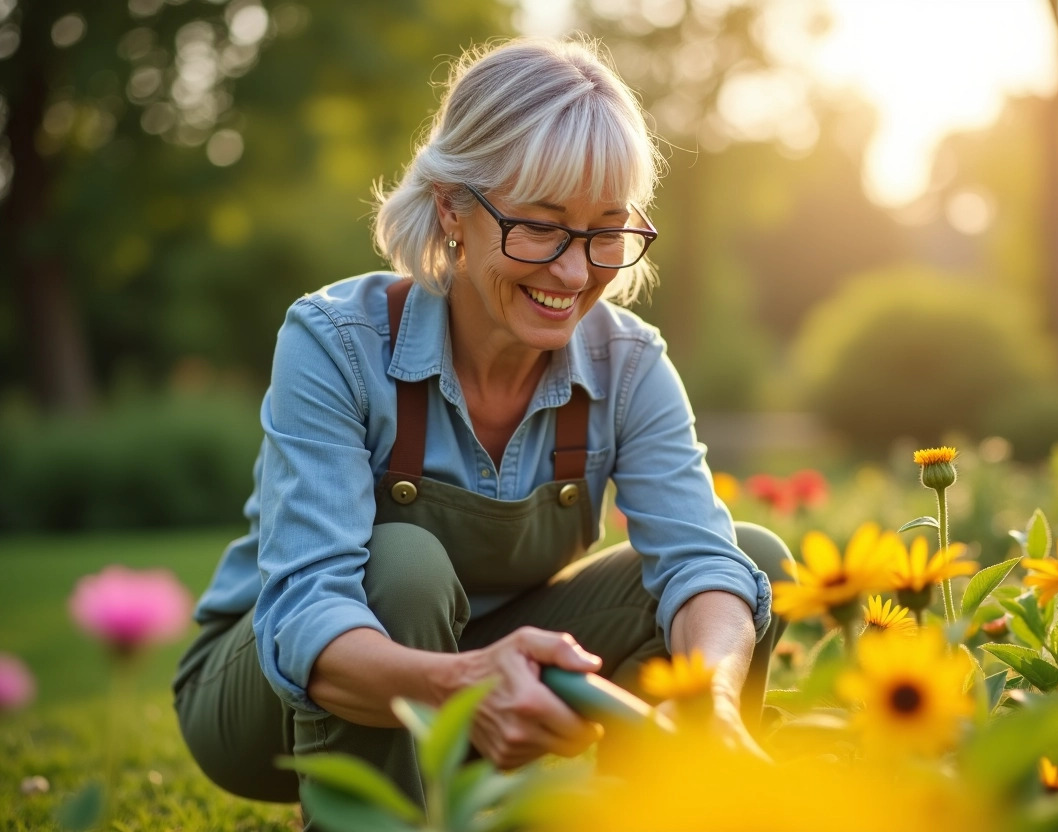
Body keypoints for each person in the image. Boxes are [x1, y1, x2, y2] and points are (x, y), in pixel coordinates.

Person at [173, 35, 792, 810]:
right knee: (401, 565)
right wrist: (465, 682)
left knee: (747, 562)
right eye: (541, 225)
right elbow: (304, 614)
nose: (576, 272)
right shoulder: (334, 342)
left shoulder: (628, 364)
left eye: (606, 230)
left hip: (495, 676)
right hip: (270, 698)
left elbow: (700, 558)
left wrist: (714, 703)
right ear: (451, 209)